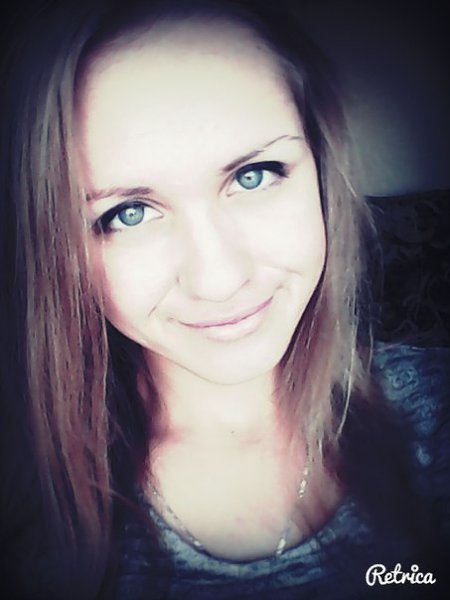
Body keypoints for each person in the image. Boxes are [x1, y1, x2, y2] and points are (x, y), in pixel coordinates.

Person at [0, 1, 448, 598]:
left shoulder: (435, 413)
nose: (219, 279)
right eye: (128, 214)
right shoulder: (27, 521)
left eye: (253, 175)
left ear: (319, 168)